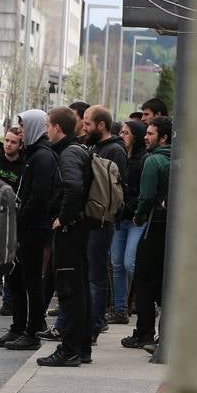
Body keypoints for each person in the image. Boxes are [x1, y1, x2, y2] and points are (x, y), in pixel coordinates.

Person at [0, 109, 57, 350]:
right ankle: (18, 327)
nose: (21, 132)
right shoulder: (33, 153)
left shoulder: (43, 156)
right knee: (15, 279)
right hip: (24, 226)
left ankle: (33, 331)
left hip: (33, 229)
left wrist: (17, 221)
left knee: (31, 281)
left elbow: (38, 197)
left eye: (24, 127)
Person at [38, 106, 93, 368]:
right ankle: (81, 348)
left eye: (48, 126)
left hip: (71, 231)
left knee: (69, 291)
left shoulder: (69, 153)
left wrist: (64, 218)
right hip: (79, 229)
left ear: (57, 128)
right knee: (79, 289)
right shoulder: (78, 149)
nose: (46, 130)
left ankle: (69, 349)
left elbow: (73, 187)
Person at [123, 117, 172, 351]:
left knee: (143, 280)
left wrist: (139, 215)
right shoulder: (181, 159)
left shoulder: (154, 161)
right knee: (165, 282)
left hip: (154, 224)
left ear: (164, 138)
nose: (145, 137)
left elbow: (147, 196)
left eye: (151, 134)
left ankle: (143, 333)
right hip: (174, 227)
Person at [82, 105, 127, 340]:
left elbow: (116, 191)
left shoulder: (114, 151)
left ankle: (95, 324)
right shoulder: (93, 146)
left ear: (101, 125)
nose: (84, 127)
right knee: (90, 272)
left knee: (97, 274)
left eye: (88, 123)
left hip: (101, 221)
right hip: (89, 220)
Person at [109, 119, 147, 324]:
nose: (122, 136)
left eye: (126, 133)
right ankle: (120, 309)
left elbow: (142, 192)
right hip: (119, 218)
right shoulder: (120, 156)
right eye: (121, 132)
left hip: (135, 219)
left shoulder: (143, 160)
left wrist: (128, 208)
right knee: (117, 264)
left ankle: (147, 300)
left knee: (129, 262)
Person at [0, 125, 25, 316]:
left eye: (13, 142)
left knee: (11, 256)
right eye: (6, 141)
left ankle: (8, 301)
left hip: (15, 216)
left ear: (20, 145)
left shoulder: (24, 165)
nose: (8, 145)